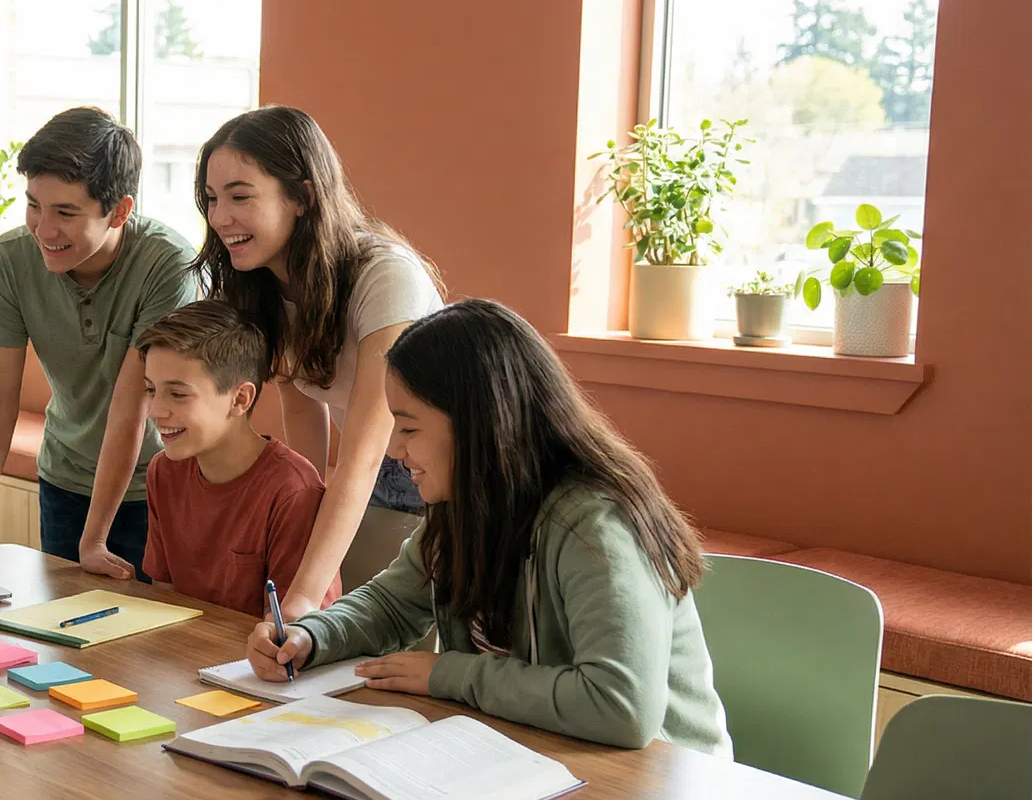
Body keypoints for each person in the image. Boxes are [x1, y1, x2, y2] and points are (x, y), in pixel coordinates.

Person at [245, 299, 732, 756]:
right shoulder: (463, 501)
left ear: (480, 424)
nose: (395, 449)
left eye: (409, 428)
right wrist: (311, 637)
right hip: (531, 757)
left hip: (654, 792)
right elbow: (393, 605)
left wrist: (452, 674)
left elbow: (620, 706)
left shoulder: (597, 525)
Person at [192, 105, 445, 619]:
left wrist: (304, 594)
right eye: (212, 199)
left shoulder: (385, 276)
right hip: (381, 468)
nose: (220, 218)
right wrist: (300, 554)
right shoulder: (264, 286)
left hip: (451, 470)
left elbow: (364, 454)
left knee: (400, 646)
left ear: (303, 197)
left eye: (240, 197)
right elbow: (305, 412)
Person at [0, 107, 195, 579]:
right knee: (60, 635)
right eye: (34, 204)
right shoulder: (13, 258)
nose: (43, 228)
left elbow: (131, 404)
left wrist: (95, 538)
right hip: (65, 479)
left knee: (151, 648)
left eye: (65, 212)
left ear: (119, 210)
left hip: (160, 487)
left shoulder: (168, 264)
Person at [137, 300, 340, 614]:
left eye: (177, 394)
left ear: (240, 399)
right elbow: (164, 601)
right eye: (151, 389)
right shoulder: (163, 472)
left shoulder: (293, 491)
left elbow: (294, 634)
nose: (154, 411)